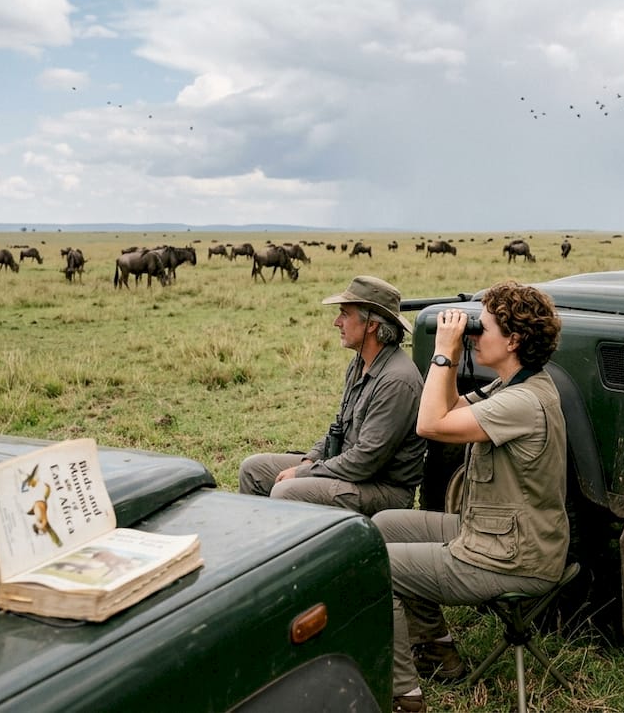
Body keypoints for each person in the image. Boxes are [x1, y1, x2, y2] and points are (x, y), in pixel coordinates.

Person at [373, 281, 568, 713]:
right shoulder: (515, 385)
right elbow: (451, 407)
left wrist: (444, 351)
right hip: (498, 535)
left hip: (514, 557)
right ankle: (436, 648)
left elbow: (430, 424)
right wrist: (453, 352)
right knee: (384, 525)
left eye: (484, 327)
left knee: (375, 567)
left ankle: (404, 696)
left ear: (513, 340)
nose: (475, 334)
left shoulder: (523, 402)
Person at [238, 275, 426, 515]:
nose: (337, 322)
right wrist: (311, 458)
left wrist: (304, 472)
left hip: (382, 488)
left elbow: (366, 461)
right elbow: (339, 428)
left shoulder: (396, 381)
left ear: (371, 325)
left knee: (286, 491)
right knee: (253, 470)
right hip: (348, 467)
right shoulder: (359, 363)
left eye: (345, 314)